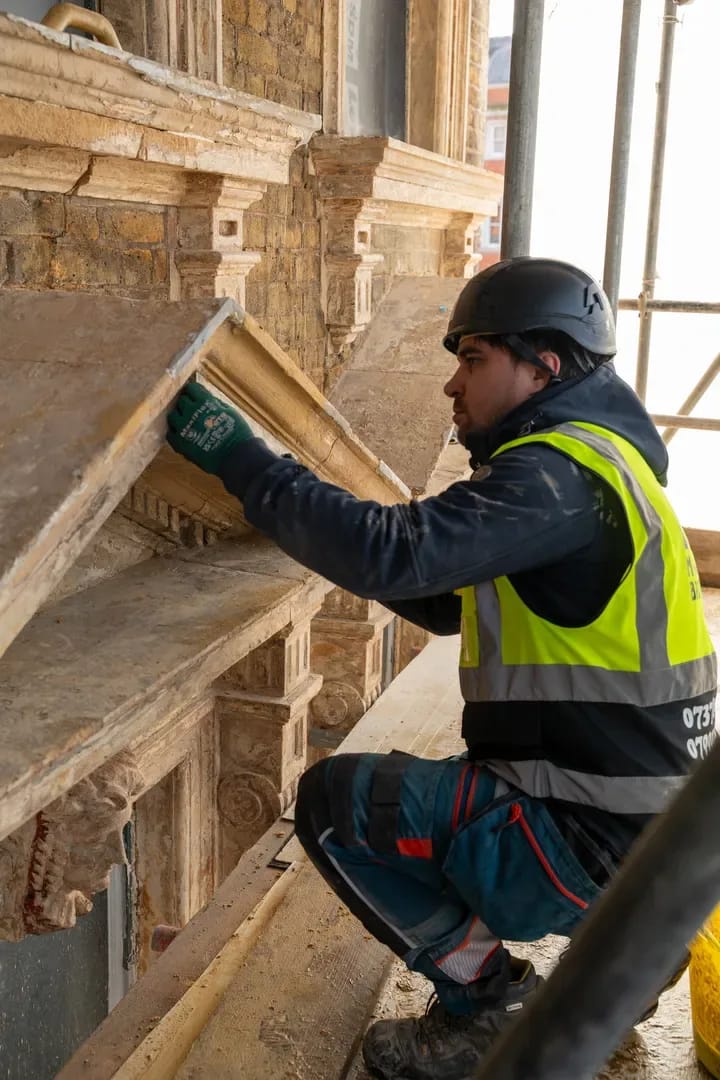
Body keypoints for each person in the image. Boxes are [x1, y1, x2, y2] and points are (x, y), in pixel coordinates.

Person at [167, 257, 717, 1080]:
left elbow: (396, 553)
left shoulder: (556, 474)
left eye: (473, 360)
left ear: (545, 367)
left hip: (595, 840)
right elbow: (441, 598)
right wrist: (342, 542)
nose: (451, 388)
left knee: (334, 804)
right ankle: (635, 956)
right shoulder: (608, 470)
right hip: (663, 845)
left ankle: (488, 1005)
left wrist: (243, 458)